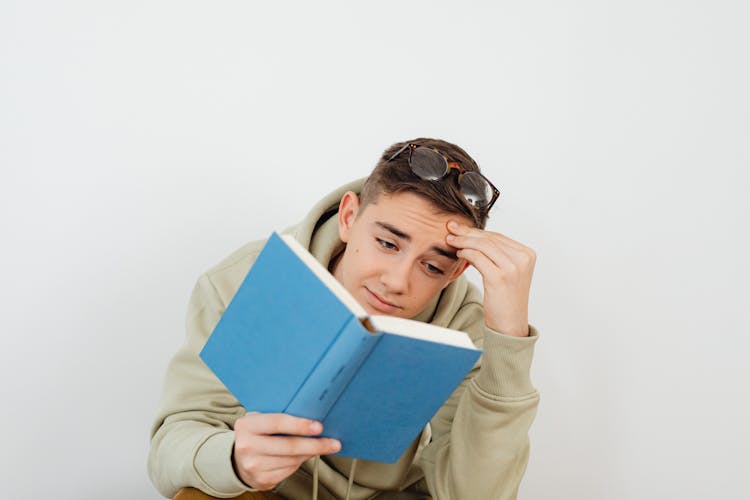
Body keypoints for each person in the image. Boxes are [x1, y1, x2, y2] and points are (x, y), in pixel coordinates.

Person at [148, 138, 540, 500]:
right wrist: (233, 459)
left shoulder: (466, 326)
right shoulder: (247, 278)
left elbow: (474, 495)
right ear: (349, 217)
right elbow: (171, 449)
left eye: (433, 266)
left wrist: (508, 340)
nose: (397, 281)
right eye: (387, 243)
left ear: (456, 272)